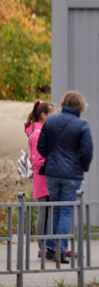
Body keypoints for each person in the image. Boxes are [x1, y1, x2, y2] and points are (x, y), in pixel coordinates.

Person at [36, 91, 93, 262]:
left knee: (54, 207)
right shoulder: (82, 125)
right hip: (71, 176)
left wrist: (52, 159)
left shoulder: (51, 121)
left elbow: (41, 146)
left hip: (52, 173)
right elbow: (87, 152)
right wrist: (80, 167)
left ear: (63, 103)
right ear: (80, 106)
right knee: (66, 211)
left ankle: (51, 248)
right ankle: (61, 250)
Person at [24, 99, 55, 249]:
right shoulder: (37, 134)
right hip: (42, 177)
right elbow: (37, 160)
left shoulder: (40, 131)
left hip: (44, 176)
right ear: (43, 115)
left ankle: (45, 245)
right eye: (52, 115)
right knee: (43, 212)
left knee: (47, 211)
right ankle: (42, 246)